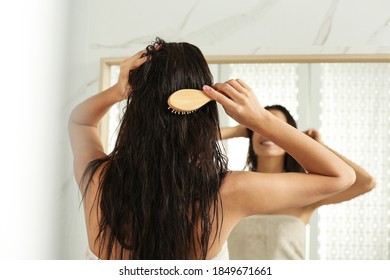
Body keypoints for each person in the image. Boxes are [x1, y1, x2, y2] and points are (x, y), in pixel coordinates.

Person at [68, 38, 356, 260]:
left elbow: (80, 123)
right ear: (204, 109)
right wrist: (259, 118)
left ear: (137, 108)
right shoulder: (227, 191)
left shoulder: (98, 180)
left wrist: (119, 90)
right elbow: (340, 177)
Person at [221, 104, 376, 260]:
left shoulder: (306, 192)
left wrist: (317, 146)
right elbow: (195, 141)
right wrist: (238, 130)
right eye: (259, 128)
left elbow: (366, 183)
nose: (266, 133)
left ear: (289, 137)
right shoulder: (235, 188)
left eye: (274, 128)